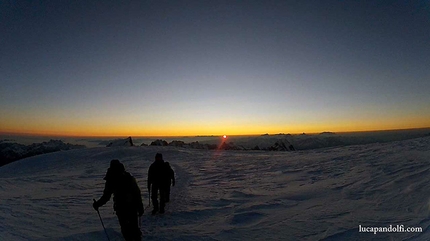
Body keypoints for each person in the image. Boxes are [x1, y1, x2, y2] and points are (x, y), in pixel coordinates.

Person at [93, 159, 144, 241]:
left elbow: (106, 196)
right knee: (133, 228)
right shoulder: (127, 177)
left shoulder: (111, 178)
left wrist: (98, 204)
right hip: (131, 206)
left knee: (126, 230)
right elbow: (136, 192)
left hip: (121, 207)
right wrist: (140, 206)